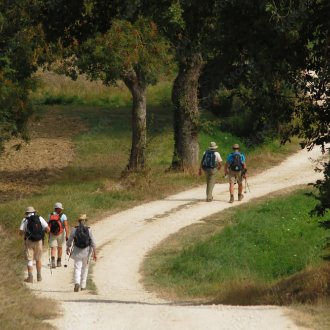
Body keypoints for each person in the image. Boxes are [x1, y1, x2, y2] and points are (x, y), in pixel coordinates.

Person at [66, 214, 97, 292]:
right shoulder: (89, 230)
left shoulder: (74, 229)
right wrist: (94, 253)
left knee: (77, 268)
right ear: (85, 221)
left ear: (79, 221)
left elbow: (70, 240)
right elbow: (93, 242)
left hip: (77, 251)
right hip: (87, 252)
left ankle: (77, 283)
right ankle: (83, 286)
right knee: (85, 268)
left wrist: (68, 247)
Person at [19, 206, 50, 283]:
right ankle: (39, 276)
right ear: (34, 212)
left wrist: (25, 233)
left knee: (30, 259)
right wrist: (42, 233)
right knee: (38, 259)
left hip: (29, 241)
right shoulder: (39, 218)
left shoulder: (24, 220)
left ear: (27, 213)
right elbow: (48, 229)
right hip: (39, 241)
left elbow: (21, 232)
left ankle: (30, 277)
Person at [48, 202, 69, 268]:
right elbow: (66, 226)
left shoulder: (50, 215)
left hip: (52, 233)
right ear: (60, 209)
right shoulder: (63, 216)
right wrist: (67, 235)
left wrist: (48, 234)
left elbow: (48, 225)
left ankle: (53, 262)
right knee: (60, 247)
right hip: (61, 233)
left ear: (55, 208)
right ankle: (59, 262)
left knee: (53, 248)